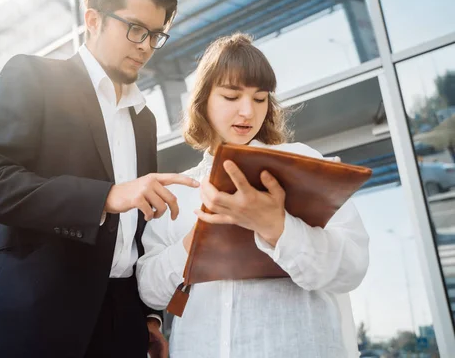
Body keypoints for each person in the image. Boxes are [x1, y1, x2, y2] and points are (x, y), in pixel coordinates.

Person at [0, 0, 199, 357]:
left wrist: (149, 316)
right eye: (135, 29)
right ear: (93, 19)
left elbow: (134, 237)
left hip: (122, 324)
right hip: (37, 325)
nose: (145, 45)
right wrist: (105, 196)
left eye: (156, 35)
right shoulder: (33, 78)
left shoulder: (144, 119)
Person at [136, 33, 370, 358]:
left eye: (260, 98)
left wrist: (278, 228)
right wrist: (196, 244)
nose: (247, 111)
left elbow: (352, 267)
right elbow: (149, 291)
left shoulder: (304, 162)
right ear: (203, 100)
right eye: (232, 96)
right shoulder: (179, 191)